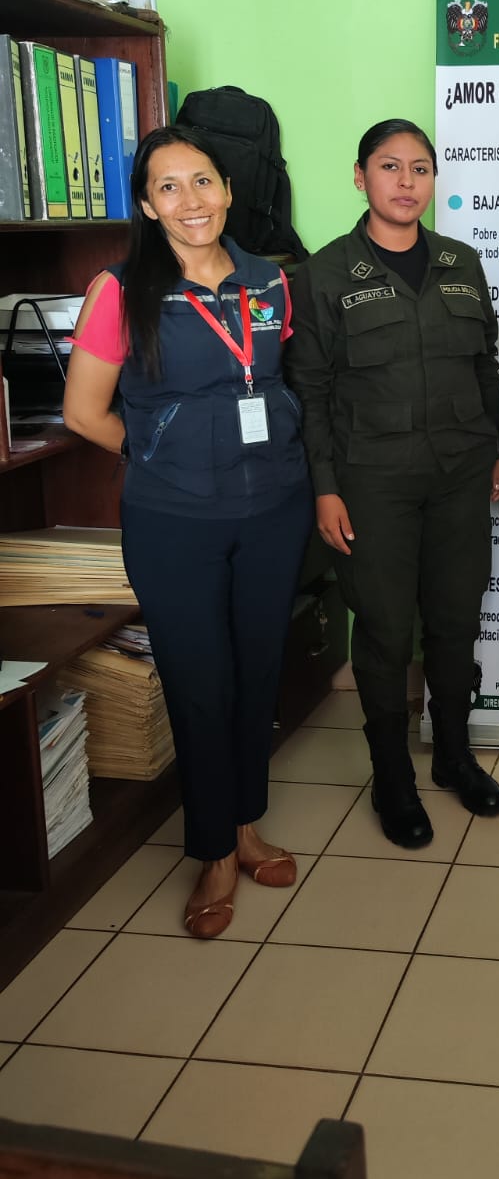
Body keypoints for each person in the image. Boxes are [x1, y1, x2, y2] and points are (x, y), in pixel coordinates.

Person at [63, 124, 313, 939]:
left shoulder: (269, 282)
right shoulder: (121, 289)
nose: (191, 200)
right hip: (175, 522)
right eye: (169, 187)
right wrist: (161, 453)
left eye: (202, 181)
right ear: (147, 204)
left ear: (229, 190)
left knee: (255, 672)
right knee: (201, 685)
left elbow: (278, 380)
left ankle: (246, 828)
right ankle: (210, 849)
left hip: (274, 510)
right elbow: (82, 412)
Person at [285, 119, 499, 849]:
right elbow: (309, 391)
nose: (406, 181)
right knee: (382, 631)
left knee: (454, 621)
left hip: (460, 475)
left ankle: (452, 756)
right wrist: (324, 486)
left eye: (419, 167)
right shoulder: (321, 274)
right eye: (389, 166)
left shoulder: (461, 261)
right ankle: (392, 777)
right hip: (370, 481)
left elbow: (486, 371)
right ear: (360, 177)